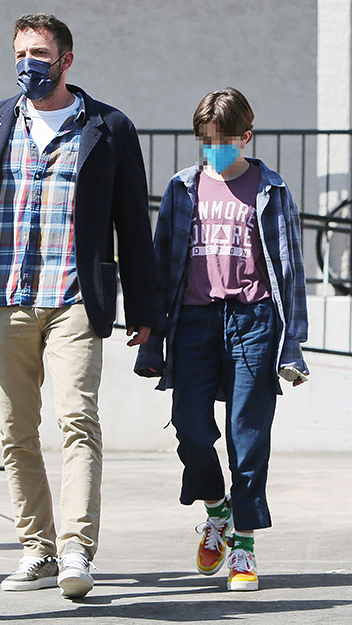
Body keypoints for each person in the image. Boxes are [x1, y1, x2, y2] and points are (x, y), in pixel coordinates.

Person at [0, 13, 157, 599]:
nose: (28, 64)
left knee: (77, 420)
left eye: (39, 54)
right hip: (4, 296)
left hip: (75, 297)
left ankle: (75, 548)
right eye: (20, 53)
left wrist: (144, 307)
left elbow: (132, 225)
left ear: (66, 60)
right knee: (16, 430)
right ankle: (36, 549)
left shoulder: (109, 127)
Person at [135, 87, 309, 591]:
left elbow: (291, 272)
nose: (214, 149)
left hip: (253, 321)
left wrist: (291, 345)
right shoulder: (182, 188)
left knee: (247, 437)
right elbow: (160, 259)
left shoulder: (270, 188)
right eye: (206, 141)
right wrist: (151, 337)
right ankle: (218, 509)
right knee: (191, 428)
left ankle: (245, 546)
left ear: (246, 137)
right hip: (193, 320)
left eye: (224, 140)